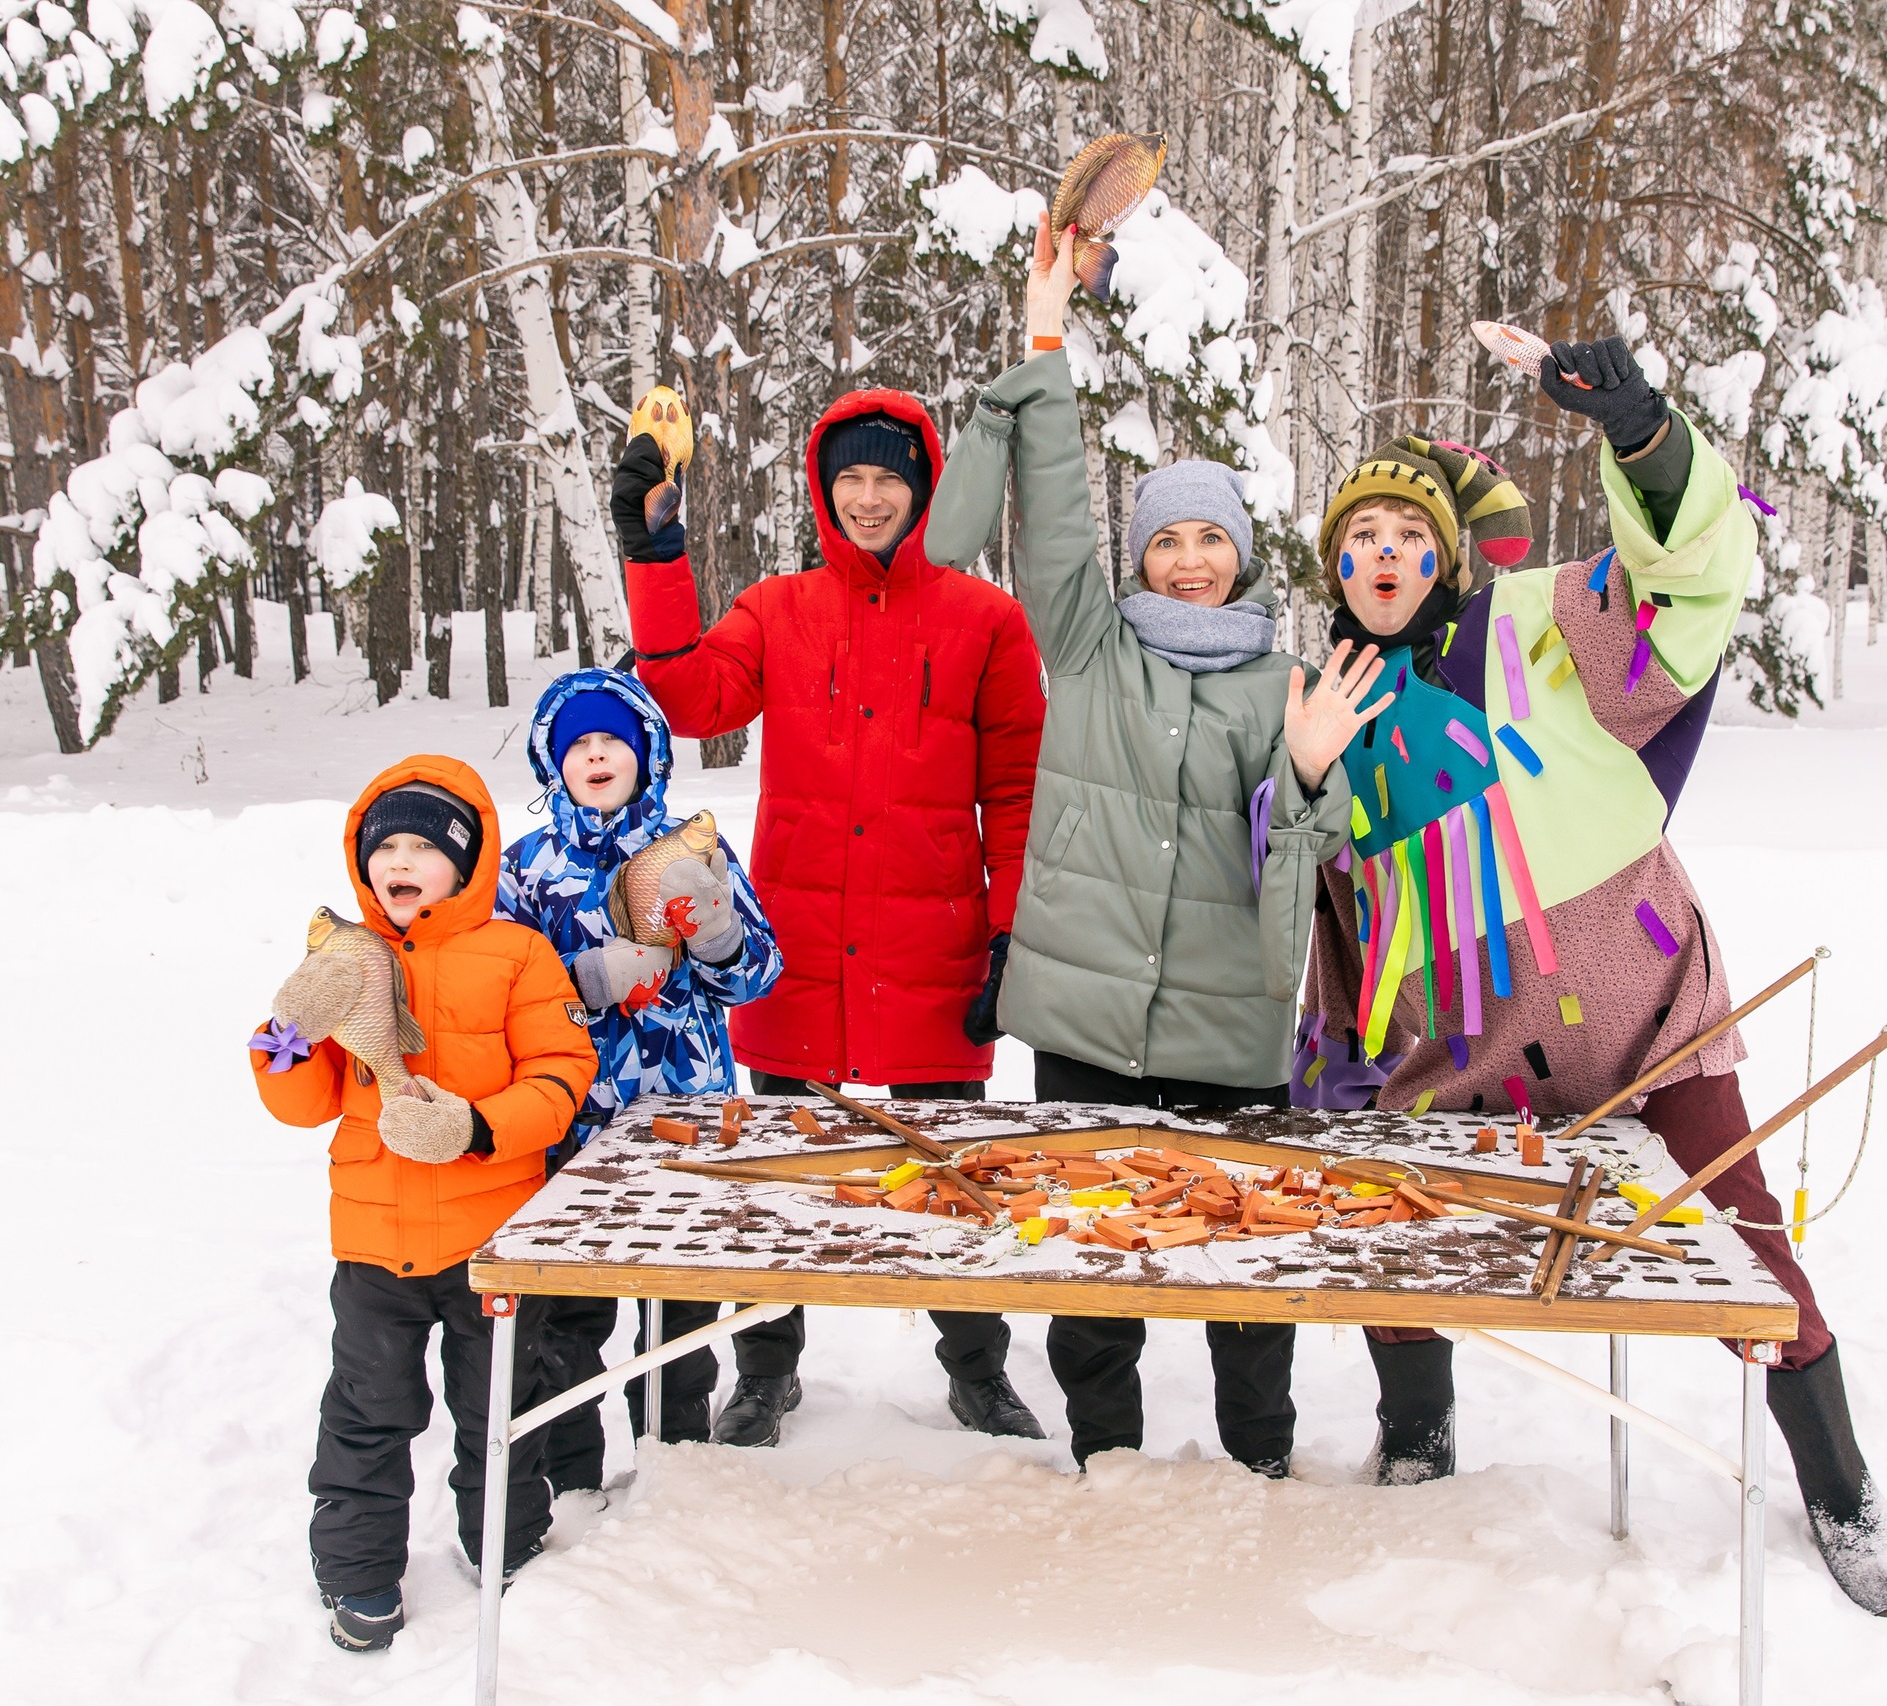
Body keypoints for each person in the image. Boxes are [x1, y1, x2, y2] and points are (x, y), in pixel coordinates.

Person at [1291, 336, 1887, 1618]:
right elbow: (1317, 898)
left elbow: (1688, 591)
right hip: (1460, 1055)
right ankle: (1419, 1433)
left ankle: (1841, 1478)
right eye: (1358, 541)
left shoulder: (1543, 621)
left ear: (1446, 554)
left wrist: (1641, 435)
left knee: (1749, 1246)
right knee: (1391, 1241)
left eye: (1407, 534)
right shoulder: (1327, 701)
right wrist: (1307, 782)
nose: (1384, 558)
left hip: (1646, 1012)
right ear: (1335, 568)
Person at [922, 213, 1376, 1475]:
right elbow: (1054, 501)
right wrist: (1046, 325)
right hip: (1087, 1018)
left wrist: (1307, 771)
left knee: (1245, 1262)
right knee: (1088, 1252)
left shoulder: (1287, 678)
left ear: (1239, 557)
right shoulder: (1089, 641)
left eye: (1208, 538)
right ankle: (1105, 1454)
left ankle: (1261, 1458)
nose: (1185, 560)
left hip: (1227, 1027)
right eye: (1166, 538)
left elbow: (1300, 871)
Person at [618, 388, 1049, 1447]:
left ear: (922, 486)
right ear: (823, 488)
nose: (867, 497)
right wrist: (655, 553)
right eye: (848, 477)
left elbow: (1020, 790)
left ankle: (976, 1364)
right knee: (786, 1168)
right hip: (797, 944)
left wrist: (1008, 934)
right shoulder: (778, 609)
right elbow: (688, 699)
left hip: (934, 942)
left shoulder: (985, 619)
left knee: (949, 1168)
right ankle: (765, 1370)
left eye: (887, 477)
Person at [248, 757, 599, 1653]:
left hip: (493, 1238)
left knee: (498, 1405)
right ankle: (360, 1574)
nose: (399, 861)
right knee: (368, 1411)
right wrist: (285, 1040)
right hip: (374, 1239)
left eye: (422, 846)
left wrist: (478, 1128)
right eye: (384, 846)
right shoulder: (345, 960)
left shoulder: (519, 954)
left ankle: (507, 1540)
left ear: (468, 860)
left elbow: (561, 1078)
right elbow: (303, 1103)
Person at [493, 667, 782, 1489]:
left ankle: (673, 1461)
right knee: (571, 1316)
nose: (595, 754)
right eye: (577, 743)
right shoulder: (526, 867)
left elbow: (757, 978)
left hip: (682, 1110)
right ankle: (576, 1475)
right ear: (554, 762)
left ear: (647, 753)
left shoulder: (691, 849)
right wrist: (578, 981)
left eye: (612, 740)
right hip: (572, 1120)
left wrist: (723, 937)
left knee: (676, 1304)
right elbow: (498, 991)